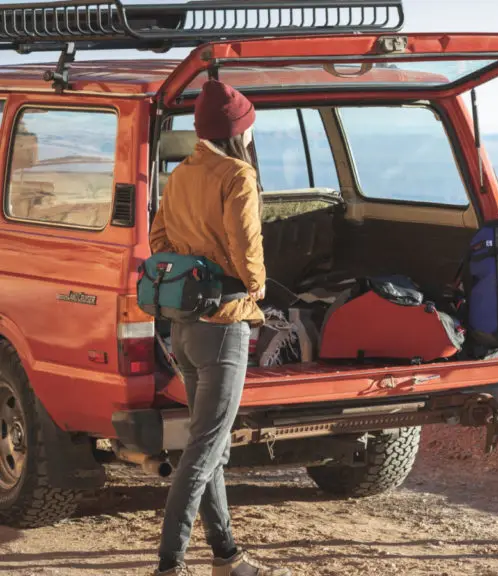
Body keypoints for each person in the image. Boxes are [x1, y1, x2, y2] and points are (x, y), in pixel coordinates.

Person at [149, 80, 289, 576]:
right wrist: (255, 286)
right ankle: (169, 564)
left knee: (210, 447)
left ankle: (227, 556)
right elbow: (247, 244)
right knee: (204, 450)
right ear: (239, 131)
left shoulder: (183, 173)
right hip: (225, 324)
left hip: (185, 325)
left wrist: (194, 270)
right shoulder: (238, 175)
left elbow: (158, 238)